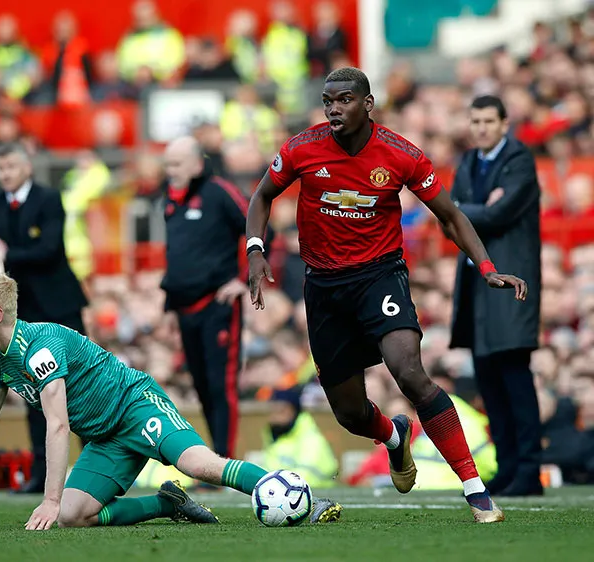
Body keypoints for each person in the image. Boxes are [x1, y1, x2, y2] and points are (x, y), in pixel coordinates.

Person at [246, 67, 528, 524]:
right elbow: (261, 197)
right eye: (327, 100)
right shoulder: (301, 148)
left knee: (410, 373)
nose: (333, 108)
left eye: (343, 100)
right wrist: (256, 250)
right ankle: (395, 437)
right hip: (324, 287)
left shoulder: (400, 154)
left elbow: (450, 216)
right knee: (351, 414)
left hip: (379, 276)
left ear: (368, 104)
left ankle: (477, 493)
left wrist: (488, 267)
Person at [0, 272, 343, 528]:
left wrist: (47, 497)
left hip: (135, 404)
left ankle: (304, 498)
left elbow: (59, 424)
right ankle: (166, 505)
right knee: (72, 517)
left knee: (199, 465)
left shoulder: (38, 346)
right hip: (106, 438)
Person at [0, 142, 88, 494]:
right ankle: (41, 476)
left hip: (59, 306)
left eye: (10, 167)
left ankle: (89, 471)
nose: (4, 174)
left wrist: (10, 254)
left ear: (26, 167)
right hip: (24, 310)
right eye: (0, 168)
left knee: (78, 387)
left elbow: (51, 248)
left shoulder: (49, 199)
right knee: (33, 390)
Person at [449, 95, 543, 496]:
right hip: (477, 282)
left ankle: (528, 470)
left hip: (511, 282)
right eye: (476, 121)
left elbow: (497, 214)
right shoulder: (469, 162)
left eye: (489, 120)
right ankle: (507, 468)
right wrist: (470, 209)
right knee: (488, 378)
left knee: (514, 376)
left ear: (505, 124)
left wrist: (461, 210)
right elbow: (448, 217)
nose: (482, 127)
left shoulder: (520, 160)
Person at [161, 136, 266, 460]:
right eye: (167, 164)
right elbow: (176, 256)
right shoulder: (171, 198)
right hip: (185, 308)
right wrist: (168, 306)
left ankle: (223, 459)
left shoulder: (219, 191)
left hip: (218, 305)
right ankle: (215, 459)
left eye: (177, 164)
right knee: (203, 387)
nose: (170, 171)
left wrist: (242, 279)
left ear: (196, 163)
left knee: (221, 385)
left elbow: (258, 226)